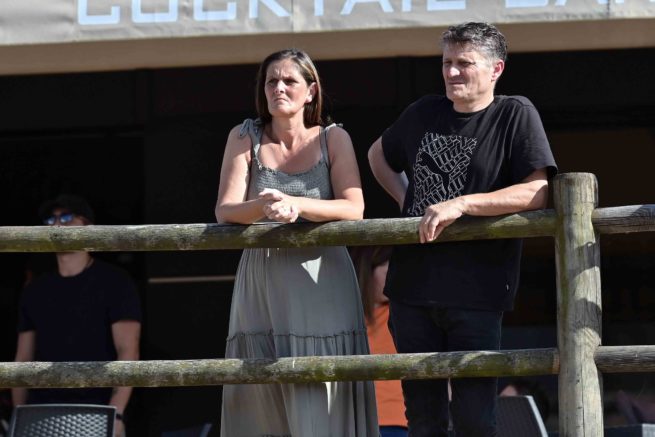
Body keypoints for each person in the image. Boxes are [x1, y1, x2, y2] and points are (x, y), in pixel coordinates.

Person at [367, 22, 558, 436]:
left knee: (475, 419)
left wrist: (463, 204)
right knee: (423, 419)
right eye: (447, 63)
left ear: (495, 69)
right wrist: (405, 199)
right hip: (412, 288)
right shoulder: (423, 111)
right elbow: (378, 154)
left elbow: (538, 191)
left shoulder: (514, 113)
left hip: (477, 291)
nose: (452, 72)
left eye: (464, 63)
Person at [215, 48, 378, 436]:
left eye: (289, 80)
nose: (279, 88)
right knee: (260, 390)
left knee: (322, 387)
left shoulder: (334, 138)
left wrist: (297, 205)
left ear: (311, 91)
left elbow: (354, 208)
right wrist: (263, 206)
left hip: (323, 276)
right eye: (271, 81)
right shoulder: (244, 136)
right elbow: (225, 210)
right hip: (263, 277)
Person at [12, 194, 141, 437]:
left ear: (88, 227)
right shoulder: (35, 290)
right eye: (51, 220)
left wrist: (116, 414)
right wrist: (19, 414)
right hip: (41, 412)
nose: (57, 225)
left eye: (67, 218)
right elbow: (23, 359)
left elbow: (128, 351)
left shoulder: (116, 283)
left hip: (98, 409)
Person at [351, 245, 408, 437]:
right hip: (359, 422)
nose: (397, 278)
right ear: (368, 272)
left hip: (402, 421)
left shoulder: (402, 314)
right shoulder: (349, 317)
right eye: (389, 270)